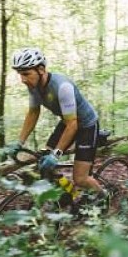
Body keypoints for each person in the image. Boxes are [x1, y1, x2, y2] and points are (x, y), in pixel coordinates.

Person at [9, 47, 105, 197]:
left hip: (86, 125)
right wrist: (19, 142)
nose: (23, 80)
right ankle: (72, 196)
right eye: (20, 74)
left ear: (41, 69)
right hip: (67, 122)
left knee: (80, 178)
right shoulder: (34, 86)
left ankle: (104, 198)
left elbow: (74, 124)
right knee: (44, 163)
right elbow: (33, 112)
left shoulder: (62, 87)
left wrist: (56, 154)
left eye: (26, 74)